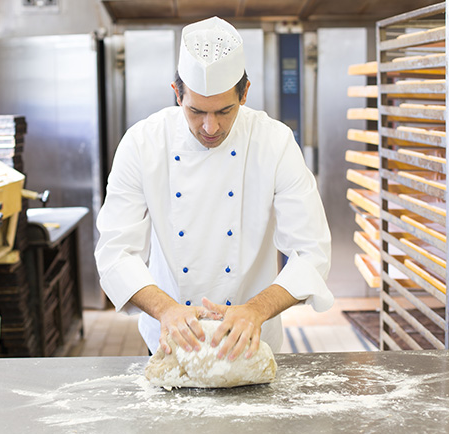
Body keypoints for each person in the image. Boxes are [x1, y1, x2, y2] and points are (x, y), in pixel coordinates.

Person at [95, 16, 333, 361]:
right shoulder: (142, 143)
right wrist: (166, 310)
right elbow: (114, 253)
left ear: (245, 93)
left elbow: (311, 252)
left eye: (225, 110)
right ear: (177, 93)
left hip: (254, 338)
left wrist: (255, 309)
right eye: (196, 111)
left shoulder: (275, 142)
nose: (210, 126)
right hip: (170, 338)